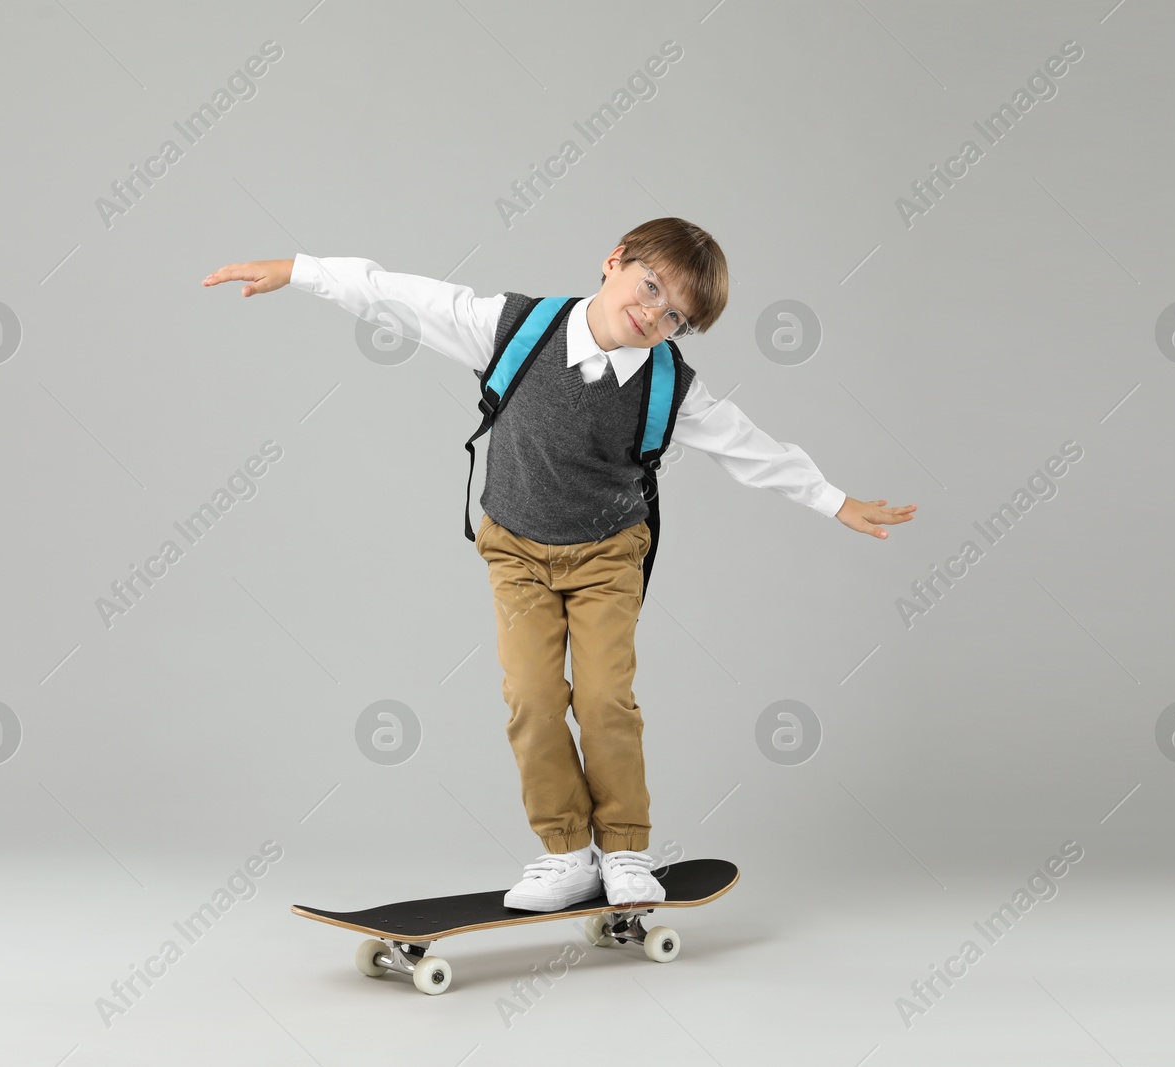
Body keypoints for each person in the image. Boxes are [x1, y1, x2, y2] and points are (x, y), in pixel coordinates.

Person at [203, 217, 916, 911]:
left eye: (676, 317)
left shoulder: (670, 386)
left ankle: (626, 848)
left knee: (605, 698)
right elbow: (403, 296)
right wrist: (299, 272)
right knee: (533, 698)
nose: (654, 315)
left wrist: (833, 499)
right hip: (515, 546)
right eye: (648, 287)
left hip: (609, 554)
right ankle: (567, 852)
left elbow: (748, 446)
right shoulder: (514, 329)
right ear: (614, 260)